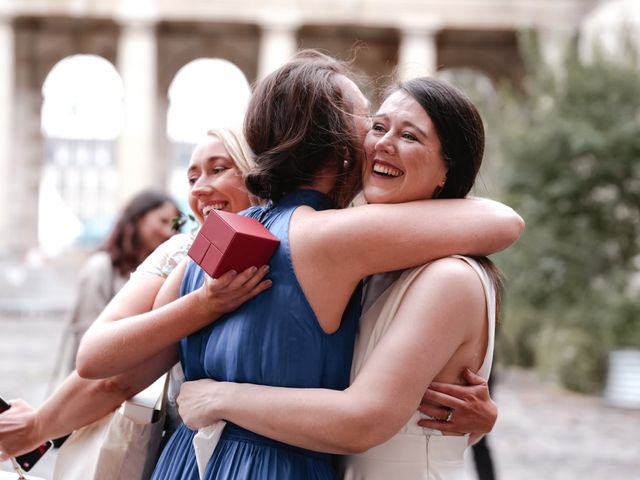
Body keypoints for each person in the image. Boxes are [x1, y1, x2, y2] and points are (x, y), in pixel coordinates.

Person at [76, 51, 523, 479]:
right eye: (371, 121)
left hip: (186, 462)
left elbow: (101, 364)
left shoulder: (219, 235)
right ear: (341, 145)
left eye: (403, 133)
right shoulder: (340, 238)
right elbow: (503, 222)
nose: (376, 138)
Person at [174, 76, 504, 480]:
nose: (383, 143)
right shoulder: (367, 264)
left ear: (447, 170)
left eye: (410, 137)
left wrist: (220, 397)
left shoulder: (449, 276)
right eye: (378, 127)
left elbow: (367, 419)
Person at [0, 128, 269, 465]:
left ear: (257, 174)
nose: (199, 188)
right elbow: (103, 367)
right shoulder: (295, 243)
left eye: (218, 169)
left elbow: (113, 377)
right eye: (191, 177)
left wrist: (38, 426)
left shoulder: (188, 256)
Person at [64, 188, 180, 369]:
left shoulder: (168, 272)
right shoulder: (99, 268)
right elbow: (85, 336)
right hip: (102, 381)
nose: (169, 232)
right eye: (163, 221)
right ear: (137, 220)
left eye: (174, 225)